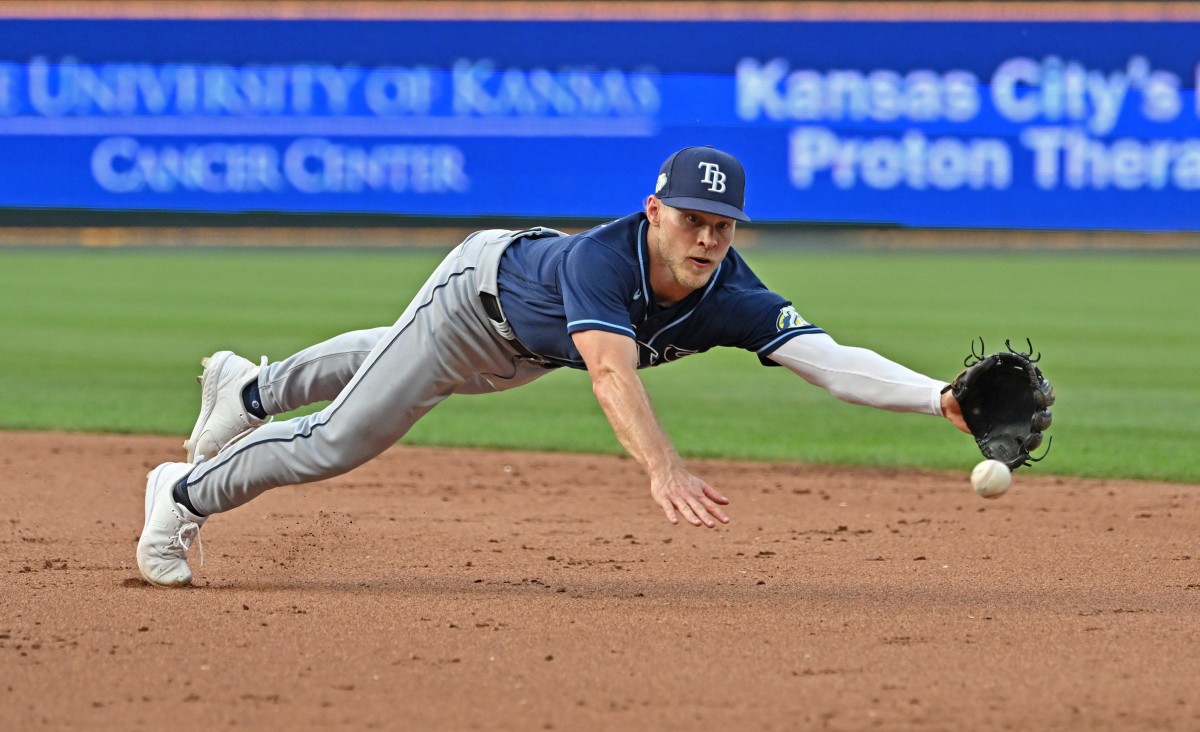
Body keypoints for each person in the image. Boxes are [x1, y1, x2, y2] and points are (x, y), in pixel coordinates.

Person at [137, 145, 970, 587]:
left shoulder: (729, 289)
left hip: (521, 350)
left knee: (387, 361)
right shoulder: (605, 262)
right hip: (477, 295)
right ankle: (179, 493)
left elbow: (826, 360)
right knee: (340, 437)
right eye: (691, 218)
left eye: (723, 223)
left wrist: (939, 398)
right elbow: (611, 373)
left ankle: (244, 387)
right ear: (654, 211)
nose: (708, 237)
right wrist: (663, 466)